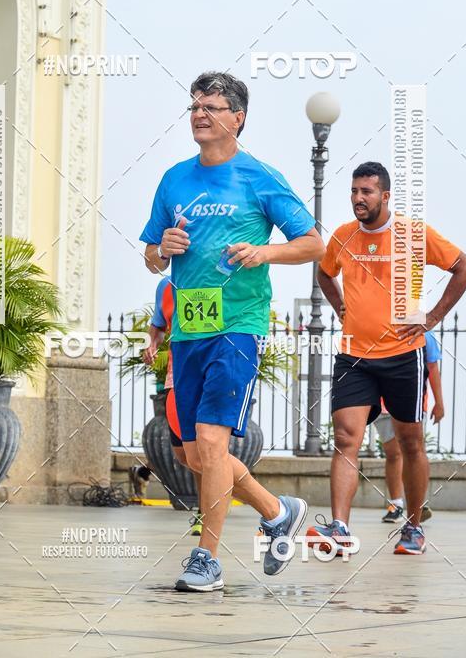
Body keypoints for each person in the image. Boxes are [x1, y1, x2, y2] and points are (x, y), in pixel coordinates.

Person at [140, 71, 324, 591]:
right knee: (196, 454)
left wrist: (265, 251)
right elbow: (151, 255)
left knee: (214, 444)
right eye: (195, 105)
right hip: (189, 328)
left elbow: (313, 243)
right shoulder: (174, 179)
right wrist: (162, 250)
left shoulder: (259, 177)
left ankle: (207, 560)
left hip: (238, 326)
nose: (200, 114)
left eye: (213, 107)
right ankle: (276, 510)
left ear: (237, 118)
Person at [308, 161, 466, 556]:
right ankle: (339, 529)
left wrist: (432, 317)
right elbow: (324, 272)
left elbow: (465, 268)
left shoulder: (412, 234)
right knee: (345, 438)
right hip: (354, 355)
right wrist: (340, 309)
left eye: (366, 192)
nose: (358, 199)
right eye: (354, 191)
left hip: (403, 355)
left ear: (385, 196)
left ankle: (414, 526)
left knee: (410, 442)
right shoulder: (344, 237)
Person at [144, 275, 203, 535]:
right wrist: (152, 344)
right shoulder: (165, 286)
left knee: (206, 449)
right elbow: (157, 324)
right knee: (185, 454)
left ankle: (205, 511)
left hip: (208, 377)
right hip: (175, 378)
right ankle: (274, 507)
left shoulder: (211, 278)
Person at [377, 331, 443, 524]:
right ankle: (396, 504)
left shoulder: (425, 335)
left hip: (412, 401)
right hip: (382, 403)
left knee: (413, 451)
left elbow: (432, 368)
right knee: (393, 453)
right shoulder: (378, 329)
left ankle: (417, 504)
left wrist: (439, 402)